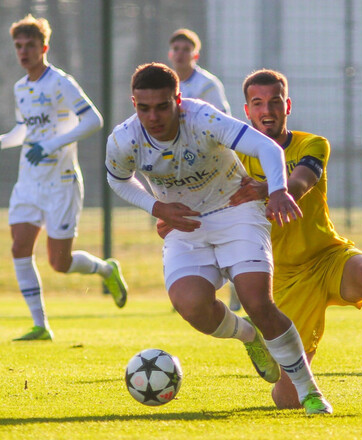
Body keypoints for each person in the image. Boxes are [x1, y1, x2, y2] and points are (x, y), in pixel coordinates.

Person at [105, 62, 332, 415]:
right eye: (144, 108)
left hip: (234, 210)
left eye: (162, 106)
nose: (153, 116)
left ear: (177, 100)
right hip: (186, 224)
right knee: (192, 306)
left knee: (257, 300)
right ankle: (250, 337)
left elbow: (269, 150)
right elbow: (117, 179)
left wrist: (276, 190)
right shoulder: (123, 139)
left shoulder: (203, 119)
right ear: (133, 103)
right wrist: (156, 207)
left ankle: (309, 391)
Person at [230, 69, 362, 409]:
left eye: (274, 102)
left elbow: (301, 183)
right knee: (289, 401)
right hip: (282, 280)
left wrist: (271, 189)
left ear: (288, 105)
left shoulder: (312, 144)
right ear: (246, 110)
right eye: (257, 103)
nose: (266, 110)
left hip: (327, 257)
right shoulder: (233, 158)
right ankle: (263, 345)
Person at [0, 14, 128, 342]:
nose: (23, 51)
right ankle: (41, 326)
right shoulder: (21, 87)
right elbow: (25, 128)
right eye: (18, 46)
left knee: (59, 263)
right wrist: (2, 141)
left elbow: (93, 120)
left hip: (61, 182)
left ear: (44, 47)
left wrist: (50, 145)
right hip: (29, 182)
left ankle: (107, 270)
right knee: (19, 248)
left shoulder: (60, 82)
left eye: (30, 45)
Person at [167, 28, 240, 311]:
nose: (180, 53)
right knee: (184, 228)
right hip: (178, 172)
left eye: (186, 49)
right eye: (176, 48)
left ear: (195, 55)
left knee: (223, 227)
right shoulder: (166, 84)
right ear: (170, 53)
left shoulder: (207, 84)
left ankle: (237, 288)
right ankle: (184, 291)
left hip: (211, 169)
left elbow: (221, 123)